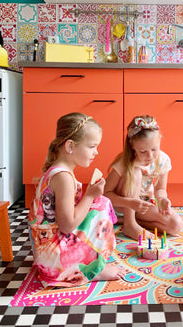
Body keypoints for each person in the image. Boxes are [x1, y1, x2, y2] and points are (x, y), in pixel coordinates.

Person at [28, 112, 125, 288]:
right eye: (92, 146)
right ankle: (90, 269)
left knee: (98, 202)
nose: (96, 152)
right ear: (70, 146)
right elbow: (67, 225)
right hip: (55, 261)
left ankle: (89, 264)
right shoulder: (63, 177)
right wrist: (89, 195)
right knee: (101, 204)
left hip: (47, 253)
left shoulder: (59, 171)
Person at [104, 115, 183, 240]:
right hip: (122, 206)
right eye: (143, 151)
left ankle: (126, 222)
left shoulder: (163, 160)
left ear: (160, 140)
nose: (150, 156)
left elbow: (160, 188)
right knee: (135, 172)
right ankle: (129, 224)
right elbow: (105, 195)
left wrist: (162, 199)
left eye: (154, 149)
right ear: (132, 145)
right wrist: (129, 202)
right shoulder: (123, 162)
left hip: (143, 205)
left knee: (176, 225)